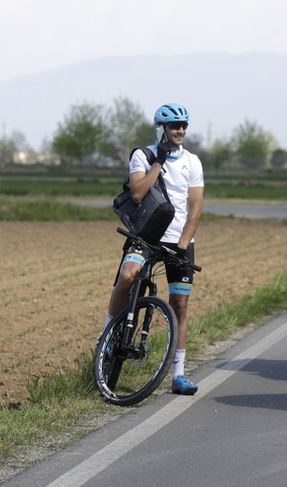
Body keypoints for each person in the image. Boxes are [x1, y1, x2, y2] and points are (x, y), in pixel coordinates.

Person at [104, 102, 205, 395]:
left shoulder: (193, 162)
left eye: (185, 125)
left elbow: (196, 207)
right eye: (175, 125)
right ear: (161, 128)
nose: (181, 130)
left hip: (180, 242)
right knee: (128, 275)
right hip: (147, 236)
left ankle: (179, 374)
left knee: (181, 306)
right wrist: (158, 162)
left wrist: (183, 243)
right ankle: (109, 335)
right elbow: (136, 193)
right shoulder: (143, 155)